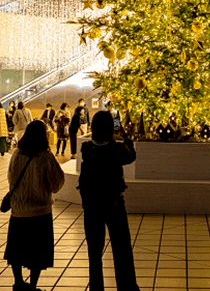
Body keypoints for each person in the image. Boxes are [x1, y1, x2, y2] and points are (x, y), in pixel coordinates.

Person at [78, 111, 138, 291]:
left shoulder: (87, 149)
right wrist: (127, 139)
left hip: (92, 206)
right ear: (112, 127)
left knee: (94, 253)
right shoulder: (117, 149)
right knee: (122, 250)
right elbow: (131, 156)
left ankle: (97, 288)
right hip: (114, 204)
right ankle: (126, 287)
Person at [5, 121, 65, 291]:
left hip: (18, 211)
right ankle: (32, 286)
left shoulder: (16, 154)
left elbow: (10, 178)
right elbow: (56, 184)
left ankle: (18, 282)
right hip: (40, 212)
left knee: (16, 250)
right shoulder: (45, 157)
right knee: (37, 253)